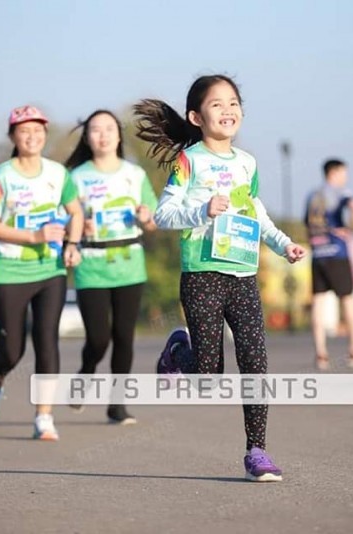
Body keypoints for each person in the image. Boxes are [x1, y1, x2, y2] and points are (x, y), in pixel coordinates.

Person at [134, 75, 306, 482]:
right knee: (209, 376)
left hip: (242, 274)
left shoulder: (247, 163)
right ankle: (178, 352)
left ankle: (257, 451)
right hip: (202, 275)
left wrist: (284, 245)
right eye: (217, 104)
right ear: (196, 117)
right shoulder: (189, 161)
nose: (228, 110)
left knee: (255, 361)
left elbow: (256, 213)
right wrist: (203, 210)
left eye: (233, 102)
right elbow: (163, 215)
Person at [0, 105, 84, 441]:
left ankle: (44, 417)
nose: (32, 136)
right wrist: (33, 236)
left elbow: (76, 212)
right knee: (12, 351)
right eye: (24, 130)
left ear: (45, 134)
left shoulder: (58, 174)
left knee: (46, 340)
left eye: (38, 130)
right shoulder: (2, 176)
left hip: (50, 270)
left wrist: (73, 244)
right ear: (13, 136)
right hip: (9, 271)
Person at [65, 109, 158, 424]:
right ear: (87, 137)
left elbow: (154, 219)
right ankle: (85, 372)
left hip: (129, 265)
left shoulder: (135, 174)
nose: (102, 135)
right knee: (98, 339)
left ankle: (117, 405)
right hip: (91, 265)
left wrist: (146, 216)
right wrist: (77, 227)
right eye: (95, 129)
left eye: (109, 128)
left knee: (124, 336)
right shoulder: (75, 177)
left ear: (119, 135)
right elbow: (62, 218)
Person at [304, 159, 353, 371]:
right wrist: (350, 228)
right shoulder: (341, 192)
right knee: (348, 300)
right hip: (337, 252)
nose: (346, 177)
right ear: (334, 173)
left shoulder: (312, 195)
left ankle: (321, 355)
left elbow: (306, 223)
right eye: (343, 172)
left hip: (318, 253)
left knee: (318, 302)